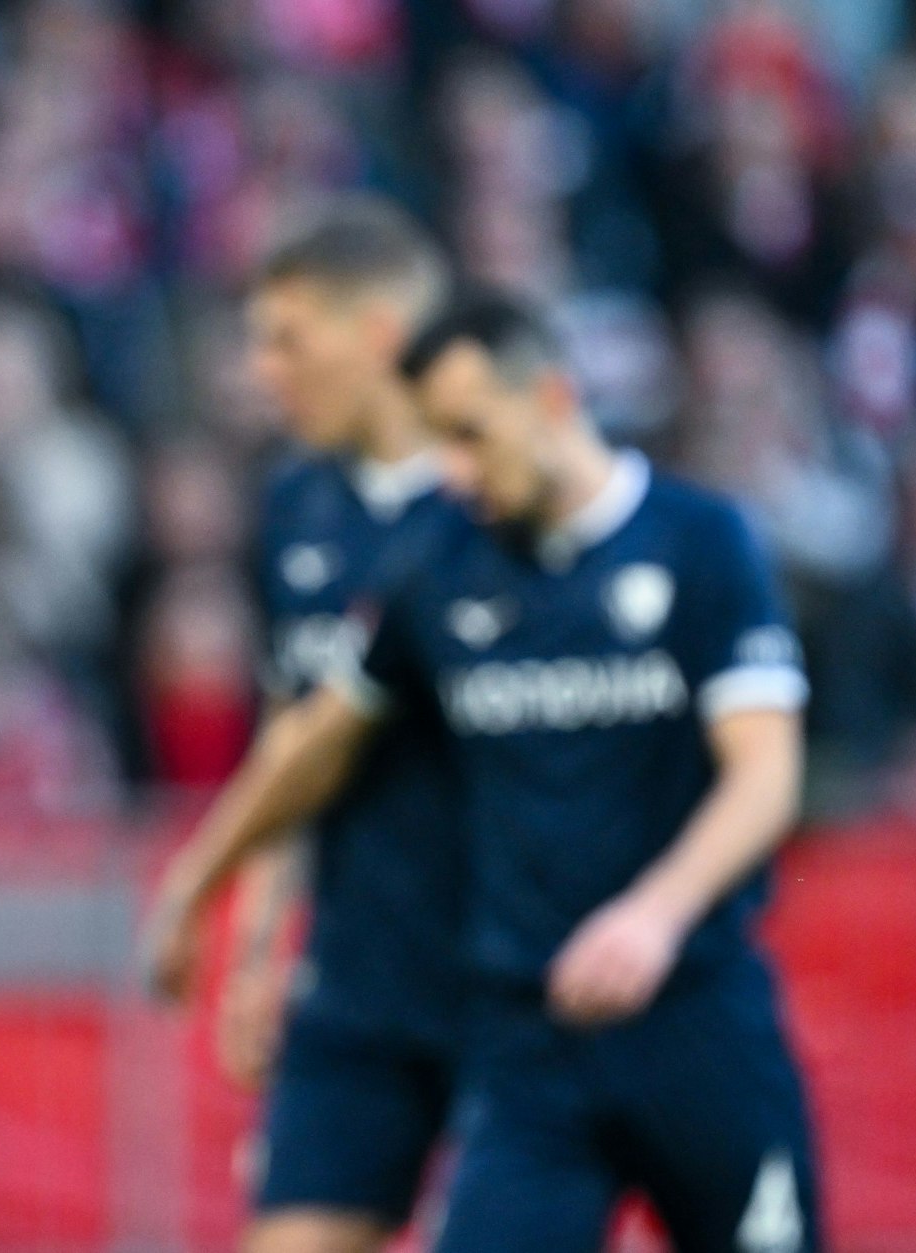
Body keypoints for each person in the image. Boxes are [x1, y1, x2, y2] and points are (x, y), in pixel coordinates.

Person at [147, 289, 820, 1253]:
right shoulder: (440, 564)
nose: (456, 473)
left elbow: (765, 775)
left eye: (469, 435)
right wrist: (198, 883)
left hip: (695, 1018)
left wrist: (656, 911)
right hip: (529, 1044)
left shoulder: (702, 540)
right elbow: (313, 745)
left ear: (550, 396)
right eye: (439, 444)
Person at [145, 197, 469, 1253]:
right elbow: (293, 745)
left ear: (376, 331)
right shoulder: (295, 507)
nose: (262, 370)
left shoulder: (491, 496)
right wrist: (255, 950)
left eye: (285, 338)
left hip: (497, 966)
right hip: (353, 973)